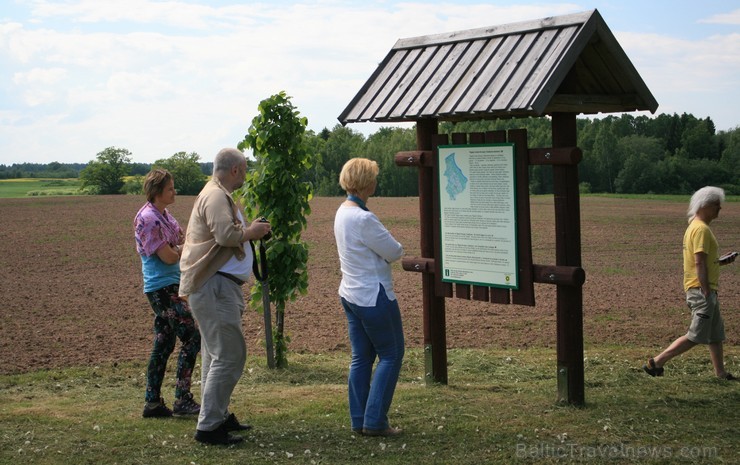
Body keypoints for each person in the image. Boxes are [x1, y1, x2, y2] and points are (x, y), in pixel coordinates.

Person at [179, 148, 272, 445]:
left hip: (216, 285)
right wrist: (252, 232)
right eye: (244, 170)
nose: (245, 176)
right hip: (215, 286)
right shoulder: (217, 196)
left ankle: (216, 415)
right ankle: (209, 426)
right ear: (235, 170)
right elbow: (225, 236)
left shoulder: (215, 193)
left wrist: (248, 229)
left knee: (215, 354)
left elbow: (227, 232)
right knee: (230, 354)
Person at [334, 158, 405, 437]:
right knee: (392, 354)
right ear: (366, 183)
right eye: (373, 177)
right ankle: (375, 421)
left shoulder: (342, 211)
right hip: (374, 296)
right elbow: (395, 251)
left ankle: (359, 418)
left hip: (350, 294)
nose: (376, 181)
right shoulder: (364, 218)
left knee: (361, 357)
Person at [644, 186, 737, 380]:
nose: (719, 208)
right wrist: (705, 291)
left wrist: (720, 261)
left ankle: (721, 373)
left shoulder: (695, 226)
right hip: (702, 291)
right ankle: (657, 362)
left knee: (715, 334)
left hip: (705, 289)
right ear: (704, 205)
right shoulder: (701, 229)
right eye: (716, 204)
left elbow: (705, 260)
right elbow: (699, 261)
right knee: (696, 335)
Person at [134, 169, 201, 418]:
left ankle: (152, 403)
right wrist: (181, 248)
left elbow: (182, 239)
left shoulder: (164, 215)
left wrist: (179, 247)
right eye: (171, 188)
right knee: (193, 337)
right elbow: (170, 255)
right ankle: (182, 399)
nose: (175, 192)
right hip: (161, 288)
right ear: (157, 191)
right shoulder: (149, 219)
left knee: (164, 343)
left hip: (171, 284)